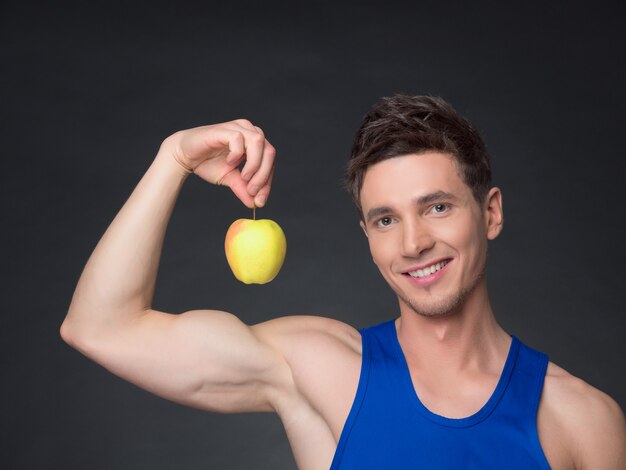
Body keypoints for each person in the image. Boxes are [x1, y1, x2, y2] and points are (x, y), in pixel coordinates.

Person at [61, 95, 626, 469]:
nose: (412, 243)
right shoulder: (319, 366)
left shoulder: (582, 420)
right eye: (386, 219)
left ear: (491, 213)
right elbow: (101, 327)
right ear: (367, 235)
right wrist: (173, 159)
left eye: (435, 208)